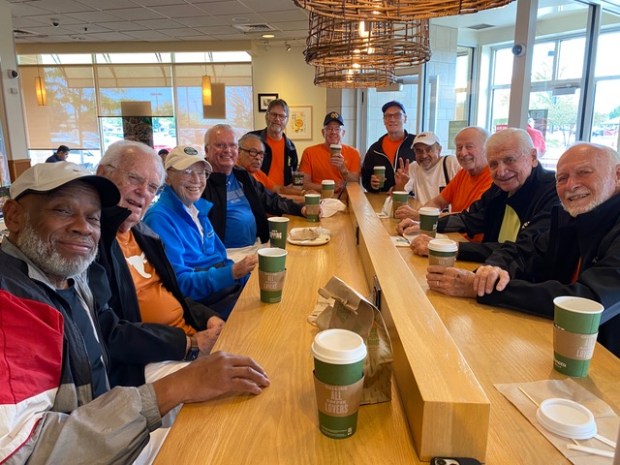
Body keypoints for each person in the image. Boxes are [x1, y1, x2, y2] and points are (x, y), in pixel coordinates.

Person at [0, 162, 269, 464]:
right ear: (13, 216)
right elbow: (23, 452)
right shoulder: (11, 303)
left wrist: (203, 321)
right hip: (103, 424)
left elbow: (172, 292)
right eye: (62, 210)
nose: (83, 227)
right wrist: (177, 380)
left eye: (93, 217)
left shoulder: (70, 274)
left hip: (105, 419)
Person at [425, 142, 620, 357]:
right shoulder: (572, 215)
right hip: (554, 342)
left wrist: (482, 289)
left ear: (617, 176)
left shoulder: (565, 206)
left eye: (584, 173)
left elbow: (586, 303)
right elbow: (523, 250)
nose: (571, 185)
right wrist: (491, 272)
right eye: (562, 178)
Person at [96, 140, 226, 385]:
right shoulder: (91, 243)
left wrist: (206, 317)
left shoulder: (145, 234)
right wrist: (189, 343)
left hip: (188, 341)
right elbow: (107, 332)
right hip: (145, 364)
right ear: (102, 174)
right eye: (134, 179)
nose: (143, 192)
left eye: (152, 187)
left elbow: (174, 292)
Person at [406, 128, 559, 263]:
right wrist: (424, 226)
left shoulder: (552, 192)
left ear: (533, 157)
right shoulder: (500, 187)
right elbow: (470, 218)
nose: (501, 171)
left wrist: (454, 248)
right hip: (491, 269)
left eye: (509, 160)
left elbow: (523, 250)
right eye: (493, 164)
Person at [144, 145, 256, 320]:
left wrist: (248, 278)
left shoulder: (197, 209)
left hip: (227, 291)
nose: (197, 179)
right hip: (205, 308)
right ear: (167, 177)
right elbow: (179, 284)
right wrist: (233, 273)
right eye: (188, 171)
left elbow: (220, 259)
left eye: (202, 172)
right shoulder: (159, 218)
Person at [202, 124, 307, 251]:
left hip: (256, 246)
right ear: (207, 150)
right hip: (226, 256)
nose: (227, 150)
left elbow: (271, 200)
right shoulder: (200, 182)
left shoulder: (242, 175)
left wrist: (302, 209)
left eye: (232, 145)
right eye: (220, 145)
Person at [395, 127, 492, 221]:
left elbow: (467, 217)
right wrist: (419, 218)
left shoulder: (493, 179)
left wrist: (420, 216)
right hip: (451, 232)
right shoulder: (464, 173)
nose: (463, 153)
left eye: (469, 147)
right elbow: (438, 202)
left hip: (464, 236)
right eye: (459, 148)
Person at [299, 111, 361, 197]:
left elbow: (356, 183)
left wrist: (343, 169)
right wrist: (327, 187)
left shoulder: (354, 153)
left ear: (343, 133)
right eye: (329, 128)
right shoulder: (309, 152)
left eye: (337, 129)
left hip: (344, 198)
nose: (333, 132)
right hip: (318, 198)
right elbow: (303, 184)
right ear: (323, 132)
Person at [361, 101, 416, 193]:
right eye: (388, 116)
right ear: (384, 121)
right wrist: (372, 185)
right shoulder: (375, 149)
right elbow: (365, 180)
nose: (392, 119)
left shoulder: (415, 144)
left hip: (410, 199)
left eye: (397, 115)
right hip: (382, 201)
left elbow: (426, 175)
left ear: (405, 118)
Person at [393, 131, 460, 205]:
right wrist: (400, 186)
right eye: (419, 151)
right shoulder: (413, 168)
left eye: (429, 150)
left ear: (439, 150)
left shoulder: (450, 163)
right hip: (421, 215)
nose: (424, 155)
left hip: (449, 216)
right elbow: (398, 200)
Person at [237, 133, 305, 200]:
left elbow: (278, 189)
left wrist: (303, 193)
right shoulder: (236, 174)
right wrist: (303, 199)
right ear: (239, 152)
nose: (258, 157)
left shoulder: (256, 171)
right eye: (253, 152)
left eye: (261, 153)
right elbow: (268, 199)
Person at [248, 98, 298, 188]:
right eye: (273, 115)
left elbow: (294, 175)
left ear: (287, 120)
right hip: (258, 195)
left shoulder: (291, 147)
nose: (277, 119)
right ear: (266, 116)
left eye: (282, 116)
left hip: (281, 198)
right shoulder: (251, 139)